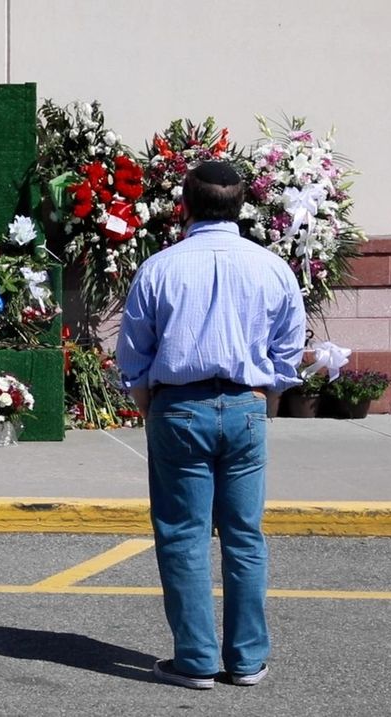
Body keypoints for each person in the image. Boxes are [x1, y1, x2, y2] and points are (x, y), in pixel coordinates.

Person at [116, 161, 306, 690]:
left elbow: (133, 354)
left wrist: (150, 407)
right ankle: (247, 659)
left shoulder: (159, 268)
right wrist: (265, 399)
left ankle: (196, 660)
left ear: (185, 204)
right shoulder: (272, 268)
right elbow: (289, 348)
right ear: (241, 206)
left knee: (183, 535)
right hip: (245, 406)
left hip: (178, 406)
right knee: (245, 536)